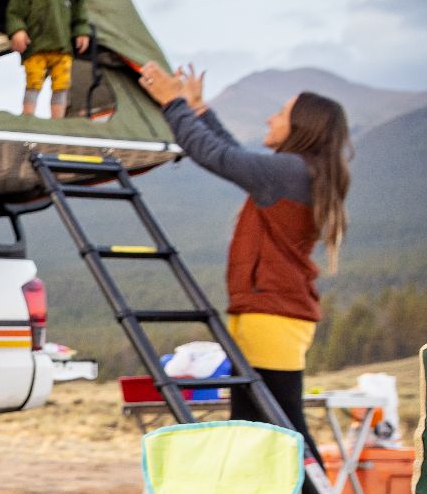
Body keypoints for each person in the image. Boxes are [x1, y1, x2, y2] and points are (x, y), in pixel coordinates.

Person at [138, 62, 351, 455]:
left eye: (281, 113)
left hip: (272, 313)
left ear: (301, 128)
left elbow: (216, 155)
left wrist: (172, 103)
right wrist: (199, 110)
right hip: (269, 312)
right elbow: (232, 154)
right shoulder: (295, 171)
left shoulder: (289, 171)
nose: (271, 118)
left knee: (282, 424)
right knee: (256, 423)